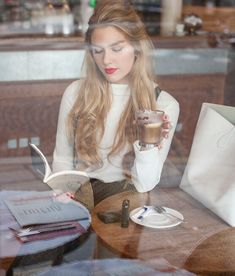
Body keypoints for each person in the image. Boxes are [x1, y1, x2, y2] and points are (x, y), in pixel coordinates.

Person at [52, 0, 179, 208]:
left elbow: (145, 184)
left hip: (126, 211)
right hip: (80, 204)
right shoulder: (75, 93)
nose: (106, 60)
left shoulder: (163, 104)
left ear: (137, 48)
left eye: (117, 48)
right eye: (97, 50)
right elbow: (63, 162)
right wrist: (61, 191)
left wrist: (148, 144)